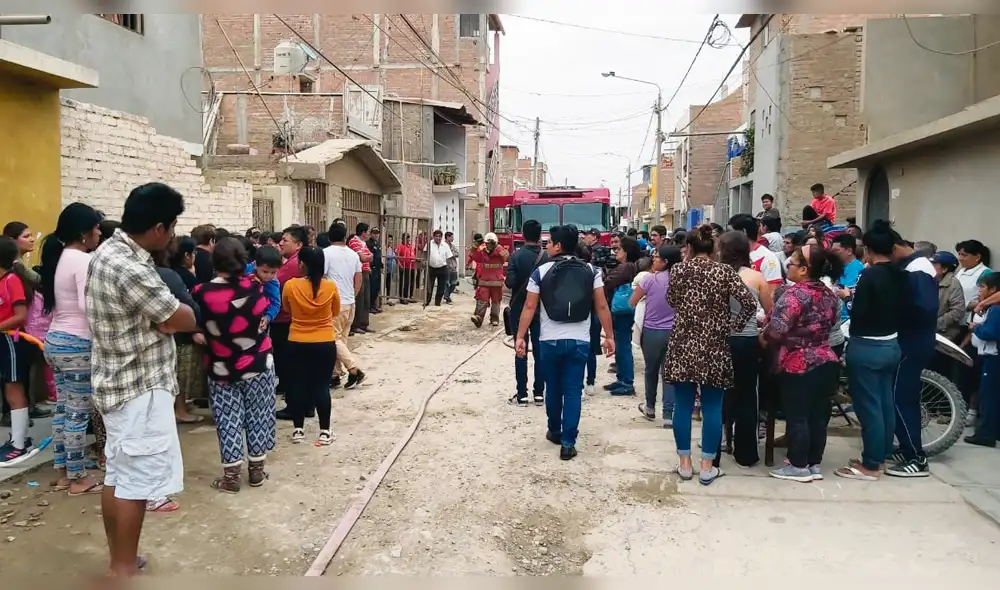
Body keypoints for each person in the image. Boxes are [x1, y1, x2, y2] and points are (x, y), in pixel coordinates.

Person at [86, 183, 198, 576]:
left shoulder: (110, 251)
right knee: (135, 483)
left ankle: (122, 558)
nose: (171, 234)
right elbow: (177, 317)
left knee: (117, 475)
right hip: (138, 387)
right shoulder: (129, 267)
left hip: (117, 381)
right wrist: (181, 313)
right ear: (157, 228)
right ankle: (122, 570)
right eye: (171, 226)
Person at [664, 225, 756, 485]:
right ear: (714, 248)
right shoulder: (724, 271)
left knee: (682, 405)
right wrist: (733, 327)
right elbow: (749, 302)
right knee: (712, 406)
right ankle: (707, 465)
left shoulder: (679, 270)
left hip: (683, 343)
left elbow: (671, 300)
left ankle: (684, 463)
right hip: (714, 345)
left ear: (690, 248)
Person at [515, 224, 614, 461]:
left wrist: (520, 335)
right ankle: (568, 443)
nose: (546, 246)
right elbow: (601, 305)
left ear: (558, 246)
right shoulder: (592, 271)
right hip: (579, 340)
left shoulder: (541, 272)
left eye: (549, 243)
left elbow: (530, 306)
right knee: (572, 390)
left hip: (549, 340)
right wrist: (610, 336)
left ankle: (555, 430)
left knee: (554, 388)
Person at [191, 238, 276, 492]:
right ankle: (257, 473)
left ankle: (231, 479)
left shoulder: (202, 293)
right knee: (259, 415)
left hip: (221, 368)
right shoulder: (256, 288)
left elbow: (196, 325)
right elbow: (262, 315)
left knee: (228, 419)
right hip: (258, 364)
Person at [762, 245, 842, 482]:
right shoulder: (829, 294)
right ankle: (813, 463)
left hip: (799, 363)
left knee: (798, 416)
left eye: (792, 263)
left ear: (805, 269)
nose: (788, 265)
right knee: (818, 416)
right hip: (827, 360)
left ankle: (797, 465)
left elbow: (776, 330)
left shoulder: (795, 294)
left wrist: (763, 336)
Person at [835, 221, 908, 482]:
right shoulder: (900, 273)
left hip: (867, 346)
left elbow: (860, 312)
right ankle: (882, 453)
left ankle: (871, 464)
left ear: (867, 249)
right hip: (891, 343)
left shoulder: (870, 276)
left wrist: (846, 298)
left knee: (869, 408)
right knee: (884, 402)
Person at [40, 203, 105, 491]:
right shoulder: (83, 261)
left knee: (64, 410)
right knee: (78, 412)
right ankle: (77, 478)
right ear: (84, 232)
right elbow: (86, 305)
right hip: (77, 345)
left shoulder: (61, 257)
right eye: (96, 227)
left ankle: (64, 469)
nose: (99, 233)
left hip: (56, 341)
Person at [718, 231, 773, 467]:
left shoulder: (715, 274)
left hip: (719, 341)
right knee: (748, 395)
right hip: (747, 341)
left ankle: (718, 443)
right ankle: (746, 453)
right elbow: (770, 312)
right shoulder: (756, 277)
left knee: (718, 394)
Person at [886, 233, 938, 478]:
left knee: (901, 399)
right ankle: (907, 448)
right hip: (910, 341)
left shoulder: (918, 270)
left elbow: (924, 308)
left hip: (912, 343)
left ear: (896, 247)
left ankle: (917, 459)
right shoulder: (913, 268)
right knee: (901, 398)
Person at [283, 246, 340, 444]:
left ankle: (298, 430)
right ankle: (325, 432)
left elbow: (286, 307)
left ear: (303, 264)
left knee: (298, 385)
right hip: (324, 341)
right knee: (321, 386)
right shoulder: (330, 287)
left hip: (296, 341)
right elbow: (335, 311)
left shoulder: (291, 285)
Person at [630, 244, 682, 426]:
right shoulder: (683, 281)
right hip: (675, 331)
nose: (653, 259)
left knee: (651, 370)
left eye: (657, 257)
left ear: (666, 261)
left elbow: (632, 301)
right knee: (669, 374)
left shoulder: (649, 280)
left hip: (652, 331)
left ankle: (650, 407)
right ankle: (668, 414)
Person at [0, 237, 38, 465]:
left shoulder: (12, 281)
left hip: (13, 342)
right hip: (3, 341)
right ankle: (16, 438)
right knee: (8, 389)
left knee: (14, 389)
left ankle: (20, 444)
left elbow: (20, 316)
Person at [505, 220, 548, 406]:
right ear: (540, 235)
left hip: (519, 309)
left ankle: (521, 394)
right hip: (540, 309)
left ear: (523, 234)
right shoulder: (547, 257)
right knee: (540, 352)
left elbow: (510, 282)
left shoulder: (516, 256)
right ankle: (539, 393)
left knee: (520, 348)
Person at [323, 222, 367, 389]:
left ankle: (354, 369)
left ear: (329, 237)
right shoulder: (353, 255)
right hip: (350, 302)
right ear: (344, 237)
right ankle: (335, 374)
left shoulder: (326, 254)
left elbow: (321, 276)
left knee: (333, 339)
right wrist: (353, 295)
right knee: (341, 340)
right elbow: (359, 277)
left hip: (335, 303)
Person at [274, 226, 308, 420]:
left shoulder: (293, 266)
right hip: (290, 319)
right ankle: (305, 404)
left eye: (285, 240)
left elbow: (278, 287)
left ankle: (293, 405)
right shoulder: (297, 262)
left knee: (288, 366)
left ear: (298, 244)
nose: (281, 243)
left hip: (285, 320)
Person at [964, 273, 1000, 447]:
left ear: (993, 290)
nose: (979, 291)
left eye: (982, 287)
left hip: (993, 358)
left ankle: (986, 434)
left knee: (989, 396)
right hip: (992, 356)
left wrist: (976, 328)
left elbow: (990, 333)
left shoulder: (996, 309)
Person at [603, 236, 642, 395]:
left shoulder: (625, 267)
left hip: (622, 311)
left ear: (626, 252)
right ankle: (622, 379)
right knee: (620, 345)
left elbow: (608, 282)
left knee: (623, 346)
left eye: (619, 249)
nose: (615, 252)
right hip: (623, 310)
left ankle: (626, 382)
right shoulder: (628, 266)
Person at [728, 214, 783, 286]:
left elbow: (772, 292)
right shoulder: (729, 254)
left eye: (730, 232)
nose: (727, 236)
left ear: (743, 232)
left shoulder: (768, 258)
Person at [467, 233, 509, 328]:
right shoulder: (482, 252)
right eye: (487, 243)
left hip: (497, 282)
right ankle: (478, 317)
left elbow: (506, 255)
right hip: (484, 281)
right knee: (482, 300)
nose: (488, 245)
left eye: (491, 243)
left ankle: (494, 319)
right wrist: (475, 246)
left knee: (496, 302)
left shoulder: (500, 251)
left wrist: (496, 246)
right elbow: (474, 256)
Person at [931, 251, 969, 343]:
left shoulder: (953, 284)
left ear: (944, 269)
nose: (930, 267)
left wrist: (934, 324)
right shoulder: (928, 279)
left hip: (944, 335)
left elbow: (958, 311)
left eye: (934, 265)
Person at [830, 234, 865, 322]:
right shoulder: (838, 267)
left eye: (836, 251)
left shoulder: (856, 268)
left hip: (847, 319)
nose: (833, 254)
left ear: (849, 251)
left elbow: (849, 294)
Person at [956, 239, 993, 322]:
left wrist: (970, 305)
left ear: (977, 257)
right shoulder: (961, 271)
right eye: (959, 254)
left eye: (964, 255)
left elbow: (989, 300)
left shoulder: (986, 273)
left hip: (970, 319)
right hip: (955, 314)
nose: (960, 258)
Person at [348, 223, 374, 334]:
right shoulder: (354, 241)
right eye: (368, 231)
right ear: (363, 232)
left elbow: (371, 256)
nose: (368, 234)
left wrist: (367, 258)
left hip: (366, 271)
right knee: (359, 298)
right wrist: (367, 258)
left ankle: (364, 323)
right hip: (359, 272)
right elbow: (363, 258)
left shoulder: (363, 243)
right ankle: (356, 324)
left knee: (366, 299)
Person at [425, 230, 451, 307]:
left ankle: (437, 302)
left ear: (441, 237)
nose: (438, 238)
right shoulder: (429, 244)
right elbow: (425, 253)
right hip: (431, 268)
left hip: (442, 268)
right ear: (434, 236)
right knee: (429, 285)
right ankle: (427, 301)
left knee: (441, 286)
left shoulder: (445, 245)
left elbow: (449, 257)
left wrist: (448, 268)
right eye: (436, 236)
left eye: (439, 236)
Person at [366, 227, 383, 314]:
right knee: (371, 288)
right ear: (371, 234)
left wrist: (381, 265)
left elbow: (378, 256)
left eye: (377, 233)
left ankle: (374, 306)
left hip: (377, 268)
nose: (376, 235)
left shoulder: (377, 243)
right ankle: (369, 307)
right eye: (374, 233)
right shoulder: (368, 244)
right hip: (372, 268)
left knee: (376, 288)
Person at [396, 233, 417, 304]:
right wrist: (399, 265)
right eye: (406, 237)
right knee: (404, 282)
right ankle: (403, 297)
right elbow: (397, 257)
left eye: (408, 237)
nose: (408, 239)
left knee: (411, 282)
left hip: (412, 267)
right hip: (404, 267)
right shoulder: (400, 246)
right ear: (402, 238)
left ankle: (410, 296)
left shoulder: (410, 246)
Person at [443, 231, 460, 303]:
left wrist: (450, 254)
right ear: (447, 237)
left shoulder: (453, 246)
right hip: (445, 267)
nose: (453, 238)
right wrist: (450, 254)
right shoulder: (443, 245)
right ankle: (447, 297)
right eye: (452, 237)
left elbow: (457, 254)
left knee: (454, 283)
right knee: (446, 283)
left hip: (453, 267)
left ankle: (447, 295)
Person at [385, 234, 397, 300]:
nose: (390, 241)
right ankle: (386, 297)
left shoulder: (390, 248)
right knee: (386, 284)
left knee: (389, 283)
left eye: (391, 240)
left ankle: (388, 297)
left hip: (391, 270)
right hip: (386, 269)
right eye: (388, 240)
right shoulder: (385, 248)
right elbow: (387, 256)